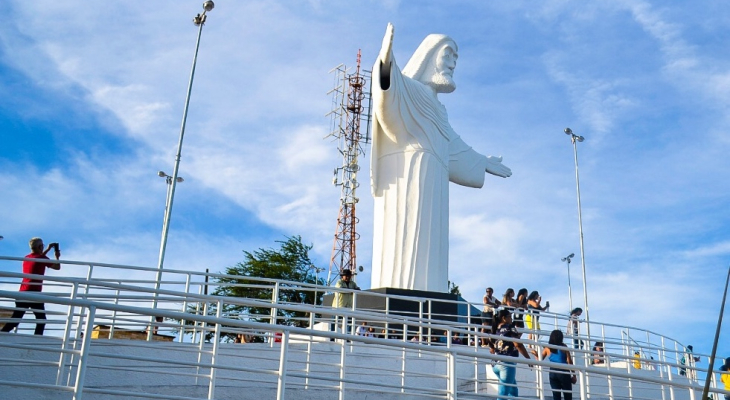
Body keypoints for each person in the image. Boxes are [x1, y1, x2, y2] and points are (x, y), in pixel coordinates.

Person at [370, 23, 512, 292]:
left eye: (456, 58)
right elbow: (387, 96)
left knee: (430, 251)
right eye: (448, 54)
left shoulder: (439, 112)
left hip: (433, 193)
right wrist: (386, 60)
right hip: (405, 182)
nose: (452, 63)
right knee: (402, 246)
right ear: (428, 55)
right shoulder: (410, 92)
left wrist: (482, 162)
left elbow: (456, 149)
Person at [1, 238, 61, 336]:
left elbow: (38, 259)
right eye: (42, 245)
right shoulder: (42, 259)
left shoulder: (27, 258)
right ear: (39, 247)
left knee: (15, 320)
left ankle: (2, 334)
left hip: (22, 293)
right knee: (41, 319)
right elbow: (57, 267)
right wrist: (57, 257)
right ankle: (37, 338)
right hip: (34, 294)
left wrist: (47, 250)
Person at [490, 308, 532, 400]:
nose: (511, 319)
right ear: (504, 318)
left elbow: (492, 348)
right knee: (503, 396)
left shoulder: (495, 330)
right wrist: (528, 359)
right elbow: (518, 344)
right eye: (510, 317)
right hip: (507, 364)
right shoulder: (509, 328)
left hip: (495, 364)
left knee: (513, 392)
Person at [541, 330, 576, 400]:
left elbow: (540, 359)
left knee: (556, 396)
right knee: (568, 395)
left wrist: (535, 354)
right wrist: (574, 375)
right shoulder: (563, 346)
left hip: (553, 372)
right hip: (563, 371)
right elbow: (569, 362)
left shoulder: (547, 348)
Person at [332, 269, 360, 335]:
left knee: (349, 322)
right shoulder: (339, 282)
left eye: (349, 276)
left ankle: (348, 338)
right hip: (338, 306)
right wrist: (352, 290)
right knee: (334, 321)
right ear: (343, 276)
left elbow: (358, 289)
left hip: (348, 306)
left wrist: (353, 290)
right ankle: (332, 337)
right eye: (346, 276)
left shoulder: (353, 283)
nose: (347, 277)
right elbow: (341, 289)